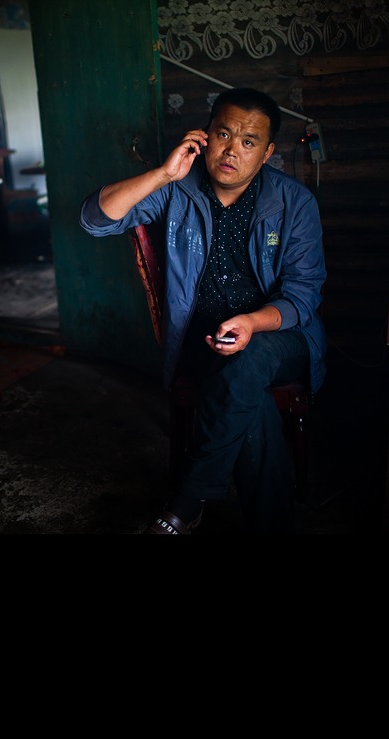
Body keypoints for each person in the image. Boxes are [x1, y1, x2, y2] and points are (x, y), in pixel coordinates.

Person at [79, 87, 327, 534]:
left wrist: (251, 323)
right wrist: (163, 173)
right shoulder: (179, 189)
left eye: (248, 141)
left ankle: (189, 500)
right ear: (205, 136)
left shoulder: (294, 202)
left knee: (251, 356)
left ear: (267, 153)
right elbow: (95, 220)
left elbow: (303, 296)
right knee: (249, 400)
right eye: (224, 134)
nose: (232, 151)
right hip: (206, 340)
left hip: (279, 338)